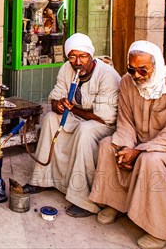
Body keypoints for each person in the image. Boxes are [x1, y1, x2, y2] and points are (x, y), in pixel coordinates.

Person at [90, 41, 166, 249]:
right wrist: (125, 147)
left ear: (156, 65)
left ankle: (159, 230)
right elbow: (125, 122)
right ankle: (115, 203)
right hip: (138, 144)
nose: (138, 76)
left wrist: (138, 150)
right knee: (108, 145)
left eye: (143, 70)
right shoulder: (126, 82)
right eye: (132, 70)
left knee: (150, 160)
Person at [22, 33, 121, 218]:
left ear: (91, 56)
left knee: (85, 130)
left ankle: (83, 199)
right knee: (51, 118)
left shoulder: (108, 75)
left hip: (104, 125)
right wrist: (58, 104)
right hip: (80, 118)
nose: (78, 62)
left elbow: (103, 118)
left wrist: (73, 109)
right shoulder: (66, 69)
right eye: (73, 56)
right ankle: (41, 179)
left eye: (83, 56)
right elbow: (54, 98)